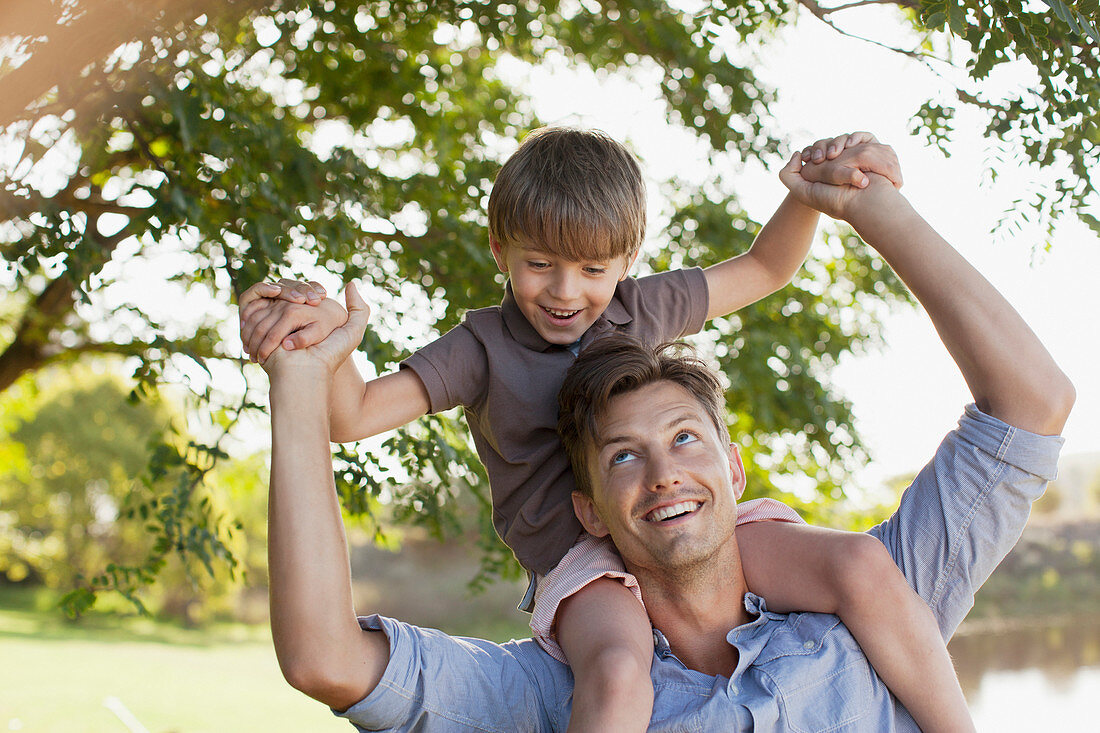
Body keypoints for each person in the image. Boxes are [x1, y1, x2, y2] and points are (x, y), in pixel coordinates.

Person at [247, 130, 973, 731]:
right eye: (539, 264)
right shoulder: (480, 348)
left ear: (627, 261)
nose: (566, 293)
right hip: (585, 559)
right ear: (500, 250)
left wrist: (808, 191)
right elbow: (353, 415)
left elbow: (765, 265)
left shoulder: (640, 307)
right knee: (621, 676)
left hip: (677, 517)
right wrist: (325, 354)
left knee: (861, 566)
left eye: (593, 268)